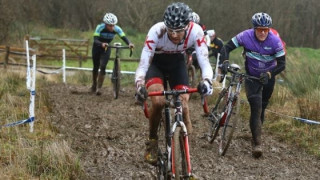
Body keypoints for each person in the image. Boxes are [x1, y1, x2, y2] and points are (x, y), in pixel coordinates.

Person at [135, 2, 213, 165]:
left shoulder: (196, 31)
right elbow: (144, 63)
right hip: (156, 64)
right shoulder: (156, 31)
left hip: (177, 63)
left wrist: (207, 81)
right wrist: (139, 85)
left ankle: (185, 149)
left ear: (188, 25)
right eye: (170, 30)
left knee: (183, 105)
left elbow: (204, 61)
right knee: (158, 102)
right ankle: (153, 141)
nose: (174, 35)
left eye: (179, 31)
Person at [219, 12, 286, 158]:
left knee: (262, 109)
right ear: (254, 28)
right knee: (256, 107)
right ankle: (257, 144)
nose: (262, 32)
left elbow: (282, 65)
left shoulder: (275, 41)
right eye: (260, 29)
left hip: (268, 77)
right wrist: (224, 62)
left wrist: (269, 74)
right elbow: (226, 47)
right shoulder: (245, 36)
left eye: (266, 30)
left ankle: (256, 133)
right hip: (251, 77)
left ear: (269, 29)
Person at [90, 13, 134, 95]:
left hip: (106, 48)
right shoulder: (100, 27)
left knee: (103, 66)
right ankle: (94, 84)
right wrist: (101, 43)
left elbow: (124, 37)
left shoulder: (117, 29)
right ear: (105, 24)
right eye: (110, 25)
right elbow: (95, 40)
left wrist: (129, 43)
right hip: (97, 47)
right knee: (96, 67)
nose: (112, 27)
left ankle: (99, 88)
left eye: (113, 25)